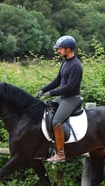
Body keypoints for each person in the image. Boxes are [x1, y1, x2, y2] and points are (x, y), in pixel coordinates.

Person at [36, 35, 83, 163]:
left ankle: (61, 153)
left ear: (68, 49)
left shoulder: (76, 66)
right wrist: (43, 90)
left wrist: (51, 93)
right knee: (45, 113)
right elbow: (58, 81)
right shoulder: (65, 62)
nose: (58, 51)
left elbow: (70, 87)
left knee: (56, 121)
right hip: (63, 98)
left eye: (60, 49)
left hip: (71, 98)